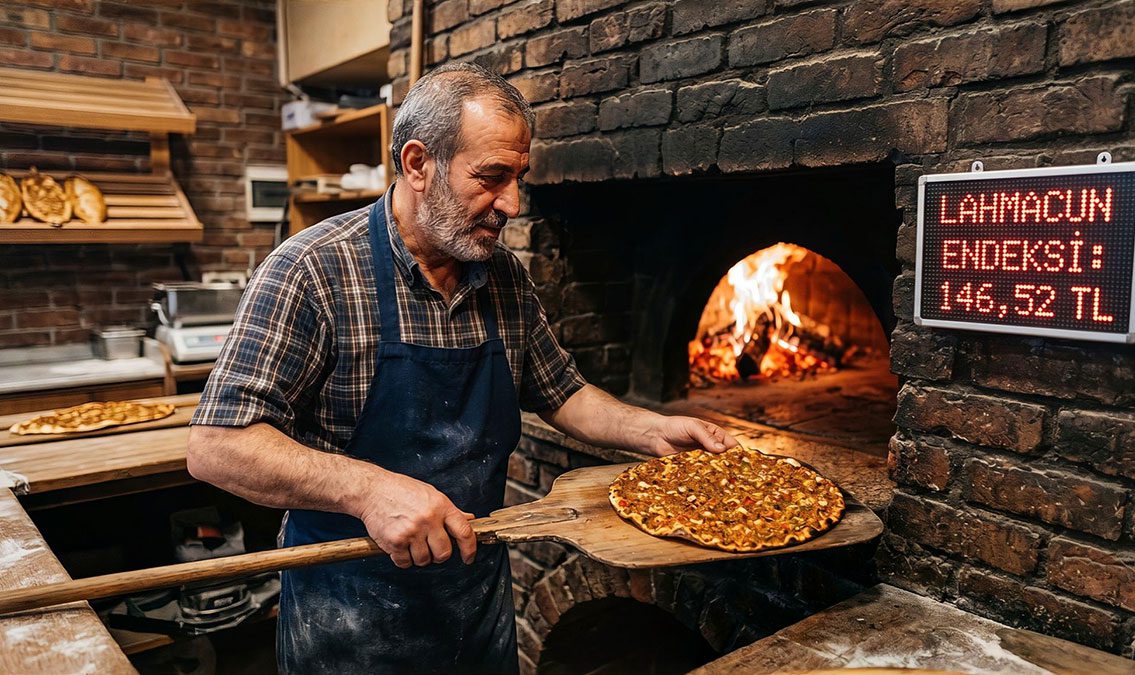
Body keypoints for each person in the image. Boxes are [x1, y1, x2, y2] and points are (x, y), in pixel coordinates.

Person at [187, 63, 740, 674]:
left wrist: (649, 428)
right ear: (418, 164)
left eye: (518, 178)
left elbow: (561, 392)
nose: (512, 204)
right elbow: (217, 446)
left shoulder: (501, 277)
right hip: (349, 610)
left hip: (472, 600)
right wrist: (369, 489)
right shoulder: (311, 271)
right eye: (492, 177)